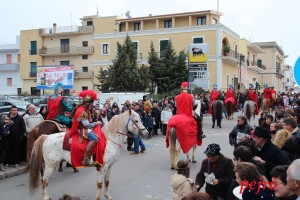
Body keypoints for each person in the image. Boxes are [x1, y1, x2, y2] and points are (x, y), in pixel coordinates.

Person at [69, 90, 102, 166]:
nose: (92, 105)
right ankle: (85, 159)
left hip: (83, 126)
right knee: (95, 139)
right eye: (91, 104)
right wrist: (97, 123)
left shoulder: (83, 109)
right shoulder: (83, 112)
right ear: (88, 104)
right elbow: (87, 125)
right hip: (82, 129)